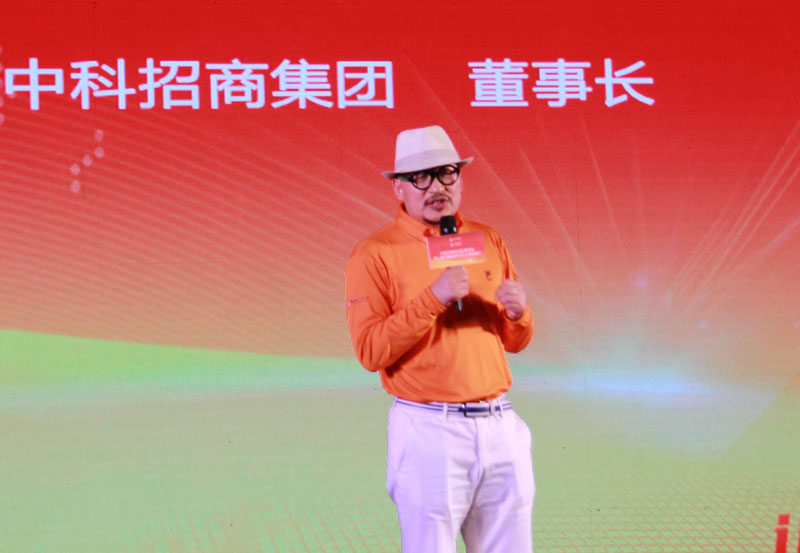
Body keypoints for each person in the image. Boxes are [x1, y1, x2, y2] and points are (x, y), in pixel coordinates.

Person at [345, 125, 535, 553]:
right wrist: (434, 298)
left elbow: (515, 341)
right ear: (398, 188)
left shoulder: (488, 239)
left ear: (460, 179)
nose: (436, 187)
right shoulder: (374, 253)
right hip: (430, 429)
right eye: (420, 177)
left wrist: (519, 314)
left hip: (500, 424)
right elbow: (370, 351)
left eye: (447, 173)